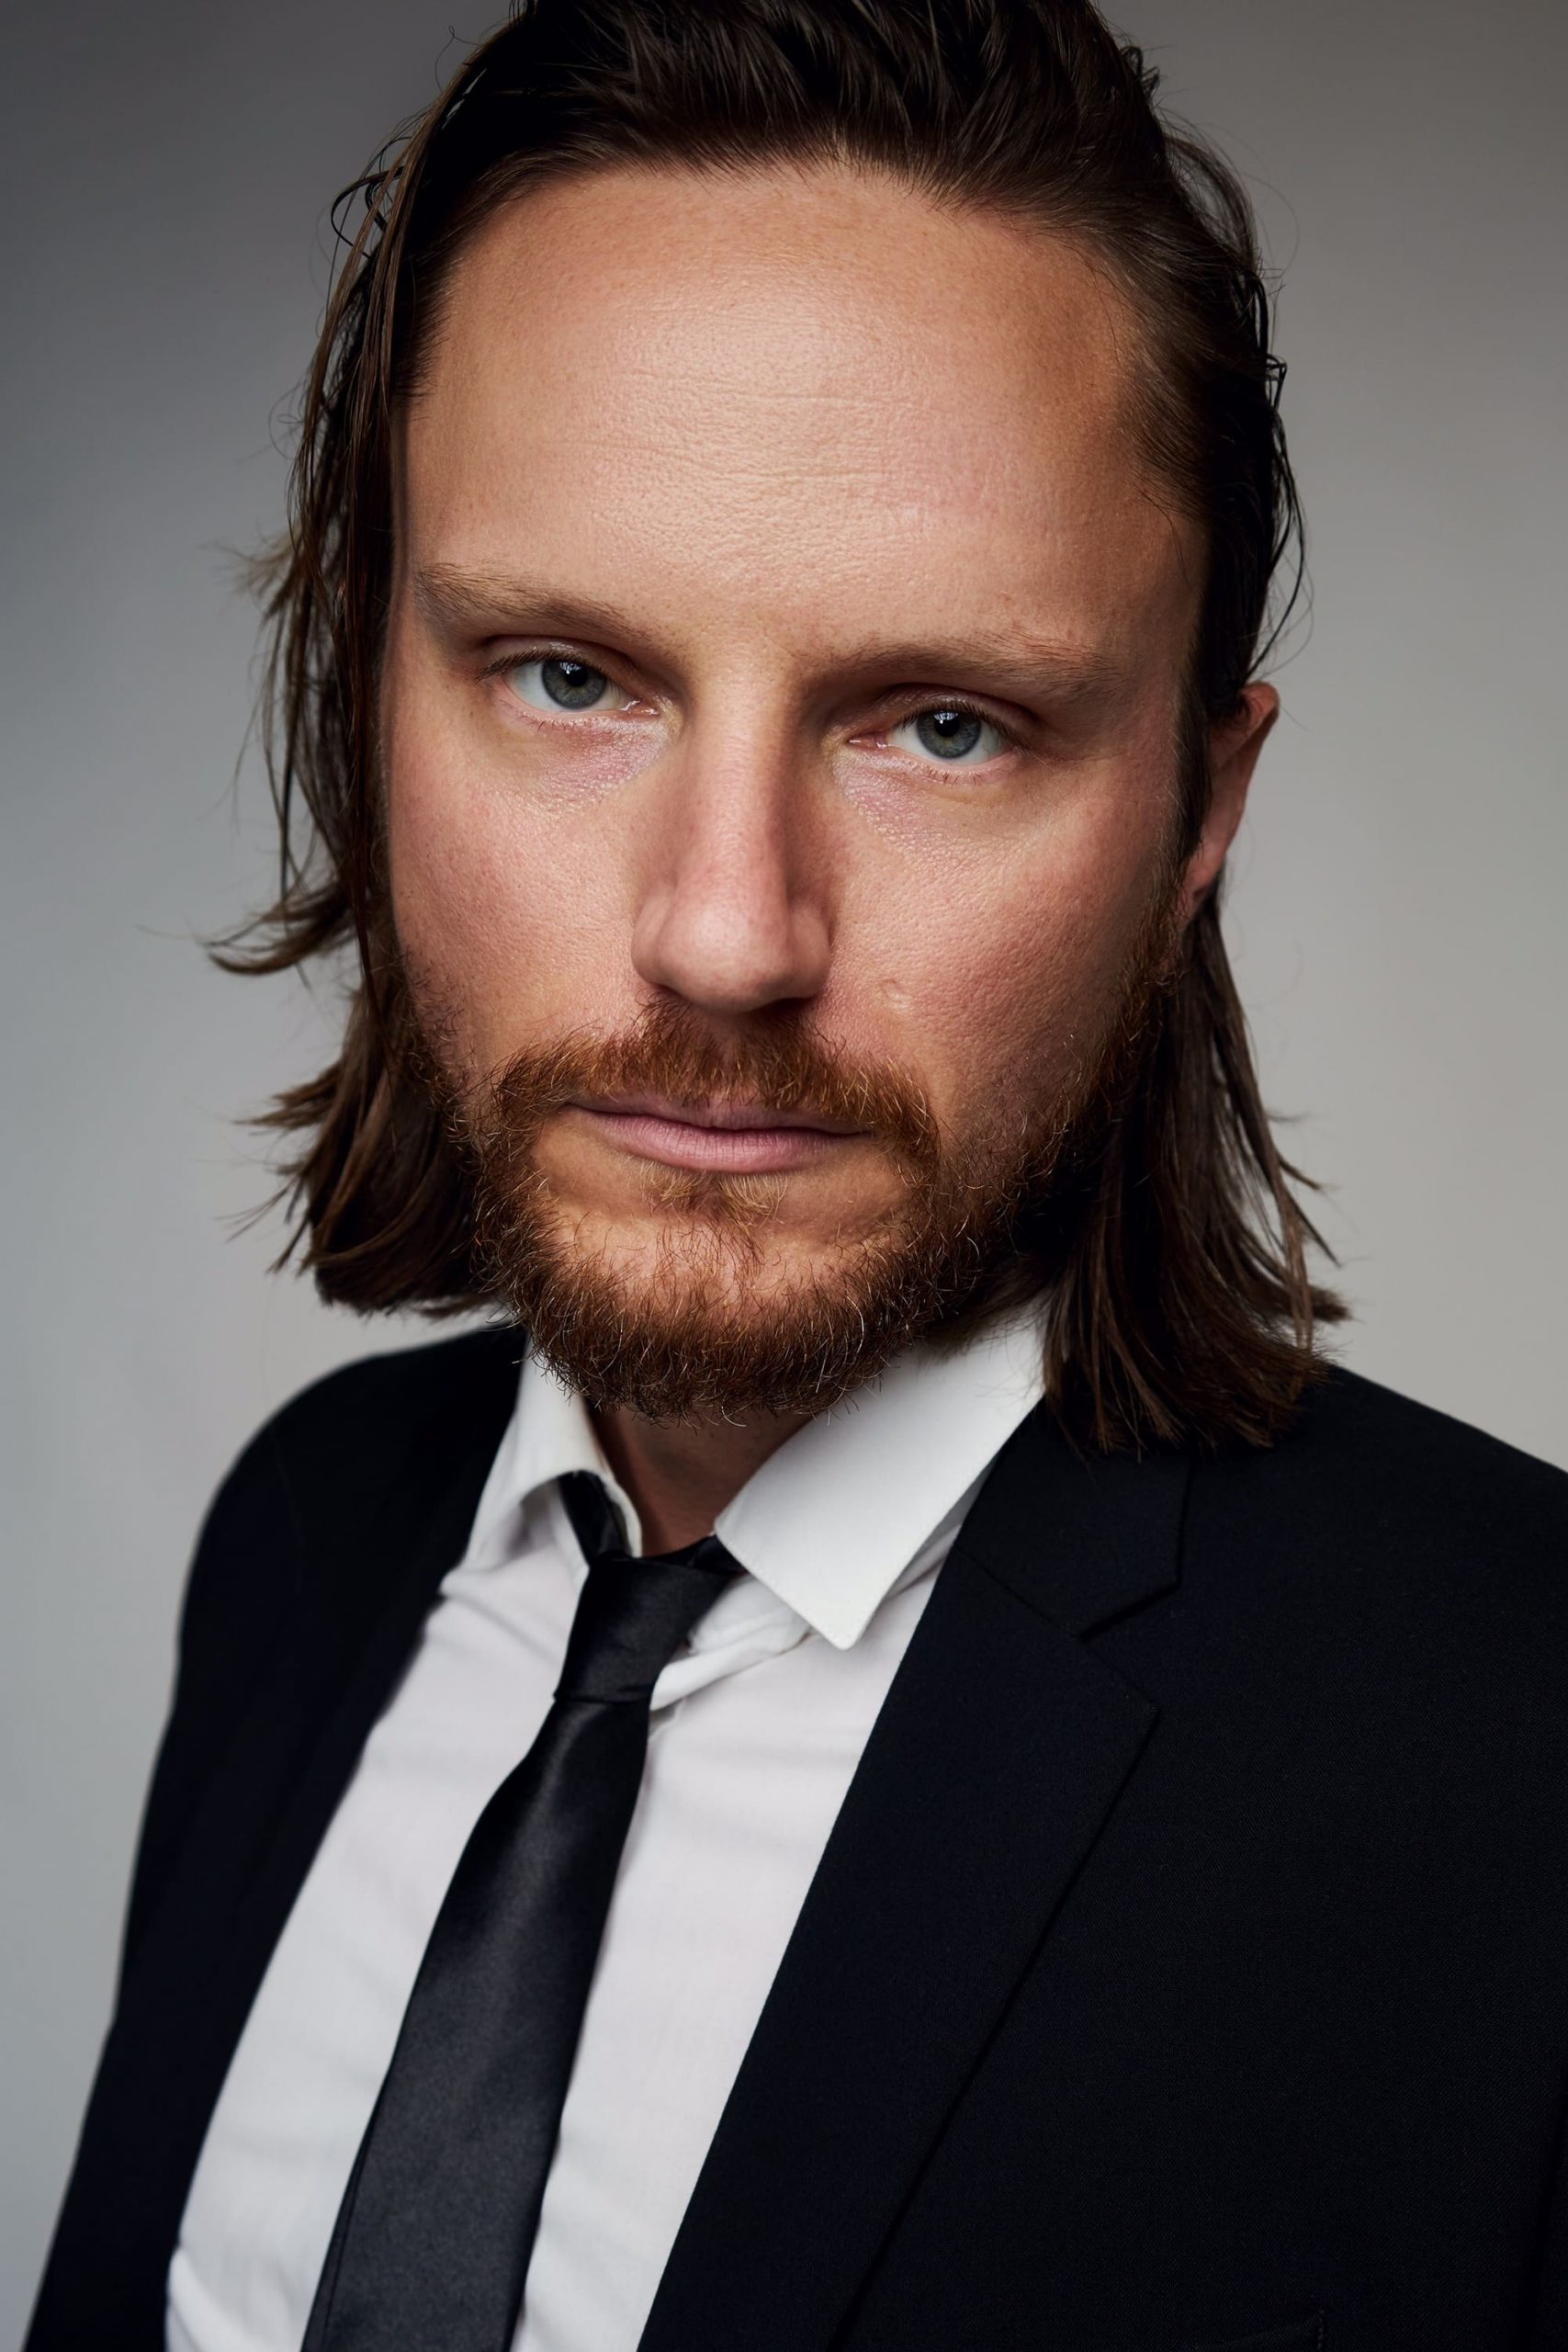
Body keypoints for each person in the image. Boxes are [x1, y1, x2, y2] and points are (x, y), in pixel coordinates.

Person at [27, 1, 1568, 2346]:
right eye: (568, 676)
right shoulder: (305, 1542)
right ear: (366, 697)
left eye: (943, 724)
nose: (726, 933)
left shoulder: (1518, 1746)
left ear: (1199, 809)